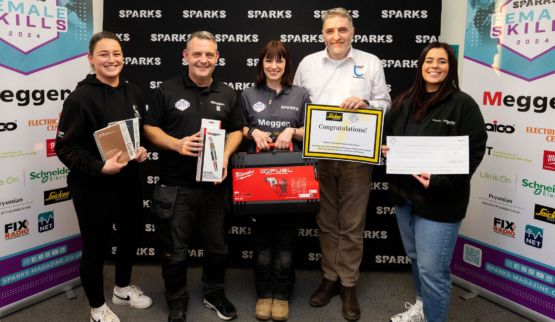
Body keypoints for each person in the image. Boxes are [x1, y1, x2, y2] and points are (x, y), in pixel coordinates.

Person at [293, 7, 391, 321]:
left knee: (352, 225)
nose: (336, 36)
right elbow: (296, 104)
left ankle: (348, 284)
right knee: (325, 222)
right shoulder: (308, 64)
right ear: (323, 34)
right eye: (330, 31)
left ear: (352, 32)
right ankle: (329, 278)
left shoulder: (370, 62)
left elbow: (385, 103)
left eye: (342, 30)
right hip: (319, 157)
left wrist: (367, 103)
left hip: (357, 157)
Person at [381, 42, 487, 322]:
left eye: (442, 61)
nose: (434, 66)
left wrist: (439, 181)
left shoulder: (463, 104)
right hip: (405, 198)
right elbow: (388, 137)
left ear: (450, 67)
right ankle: (421, 307)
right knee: (416, 259)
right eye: (429, 60)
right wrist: (387, 150)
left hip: (440, 201)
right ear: (421, 65)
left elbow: (475, 150)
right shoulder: (404, 101)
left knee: (433, 271)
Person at [143, 31, 243, 322]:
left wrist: (224, 155)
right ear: (185, 56)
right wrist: (177, 144)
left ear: (217, 58)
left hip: (213, 186)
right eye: (197, 54)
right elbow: (149, 128)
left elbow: (237, 129)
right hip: (175, 187)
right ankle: (176, 301)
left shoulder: (227, 93)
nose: (203, 59)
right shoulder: (167, 89)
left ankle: (214, 293)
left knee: (217, 247)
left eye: (209, 54)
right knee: (174, 252)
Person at [55, 31, 153, 322]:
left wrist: (141, 151)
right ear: (90, 59)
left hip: (128, 181)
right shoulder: (80, 98)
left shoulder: (133, 91)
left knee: (129, 236)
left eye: (117, 54)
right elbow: (64, 147)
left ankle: (122, 288)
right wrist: (99, 167)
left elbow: (136, 132)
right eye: (104, 54)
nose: (112, 60)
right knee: (95, 247)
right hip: (92, 186)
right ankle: (97, 308)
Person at [240, 40, 310, 321]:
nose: (273, 66)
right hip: (256, 182)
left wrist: (292, 131)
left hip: (290, 181)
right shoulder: (247, 94)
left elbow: (311, 131)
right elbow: (237, 127)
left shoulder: (301, 94)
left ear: (286, 64)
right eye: (268, 60)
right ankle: (263, 293)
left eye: (279, 60)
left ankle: (281, 295)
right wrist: (250, 132)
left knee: (285, 242)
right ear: (261, 64)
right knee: (262, 245)